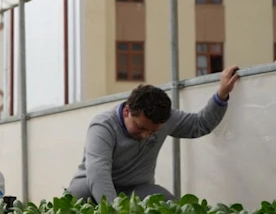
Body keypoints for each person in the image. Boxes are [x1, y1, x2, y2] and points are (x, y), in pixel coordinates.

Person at [67, 66, 240, 203]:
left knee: (168, 204)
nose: (146, 135)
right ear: (127, 111)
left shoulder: (165, 119)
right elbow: (98, 173)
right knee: (79, 202)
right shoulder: (103, 127)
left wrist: (222, 94)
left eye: (153, 131)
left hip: (136, 188)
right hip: (92, 188)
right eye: (140, 128)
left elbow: (200, 125)